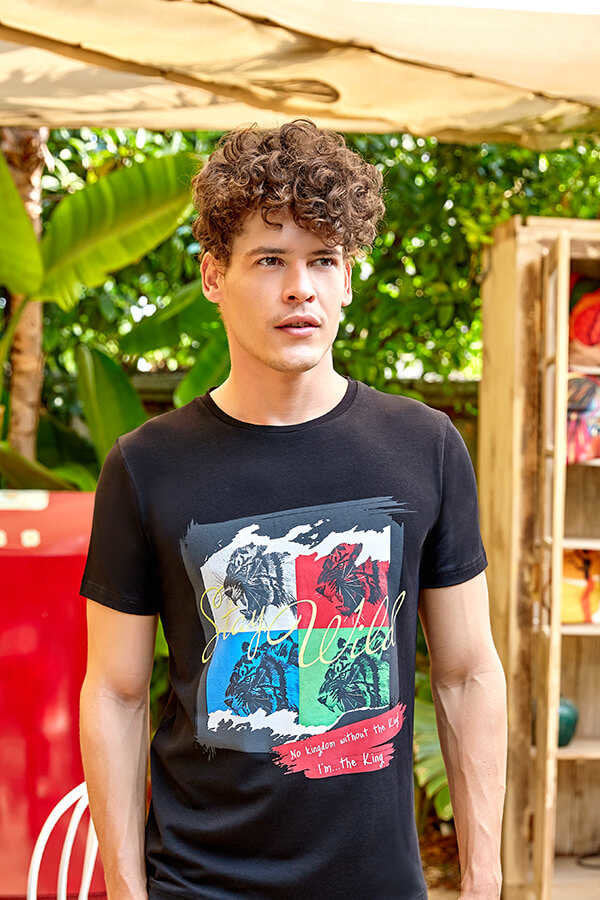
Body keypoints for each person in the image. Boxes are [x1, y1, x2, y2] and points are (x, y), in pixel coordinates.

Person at [79, 118, 507, 900]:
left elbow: (468, 672)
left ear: (349, 280)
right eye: (270, 259)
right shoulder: (145, 466)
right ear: (214, 275)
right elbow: (115, 691)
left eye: (323, 260)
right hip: (198, 883)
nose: (300, 287)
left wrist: (484, 880)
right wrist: (125, 889)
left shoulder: (426, 447)